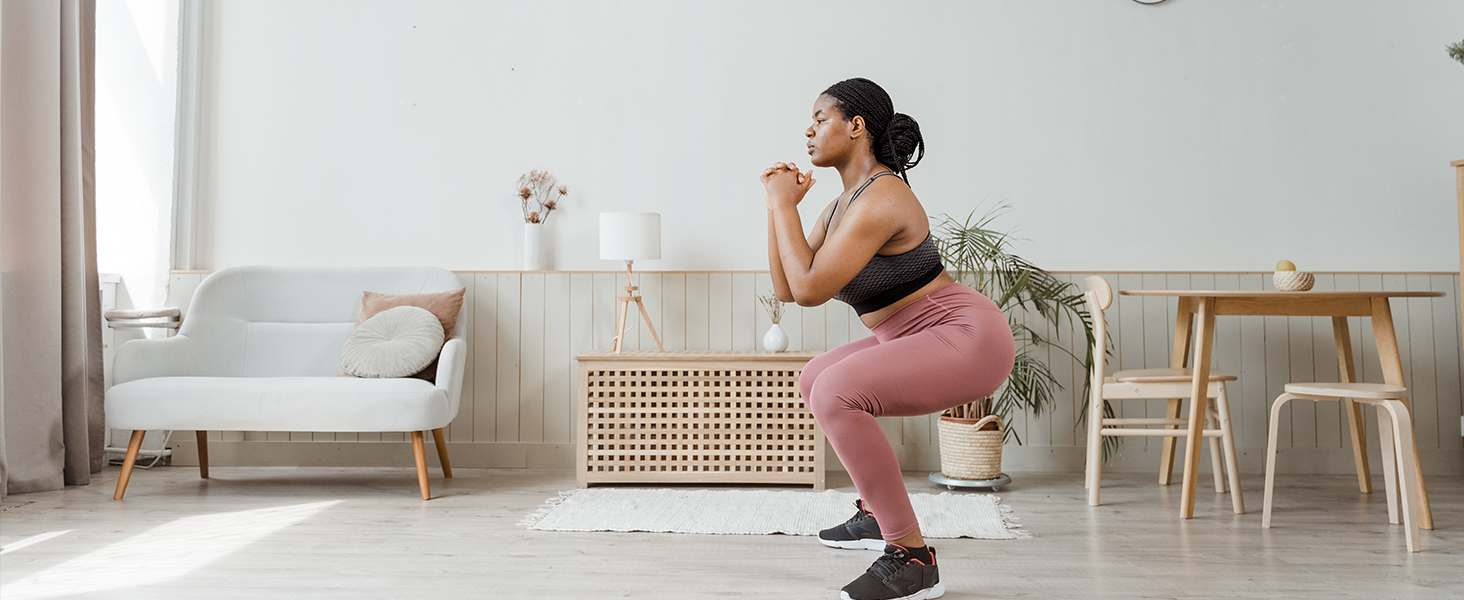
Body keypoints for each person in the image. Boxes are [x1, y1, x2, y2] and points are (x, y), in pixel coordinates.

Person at [761, 77, 1016, 600]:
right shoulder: (839, 206)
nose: (807, 131)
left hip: (964, 334)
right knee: (816, 378)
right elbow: (787, 287)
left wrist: (786, 207)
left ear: (856, 127)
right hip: (911, 334)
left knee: (836, 391)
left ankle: (912, 557)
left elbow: (809, 290)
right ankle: (875, 515)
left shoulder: (882, 197)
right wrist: (775, 207)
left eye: (820, 118)